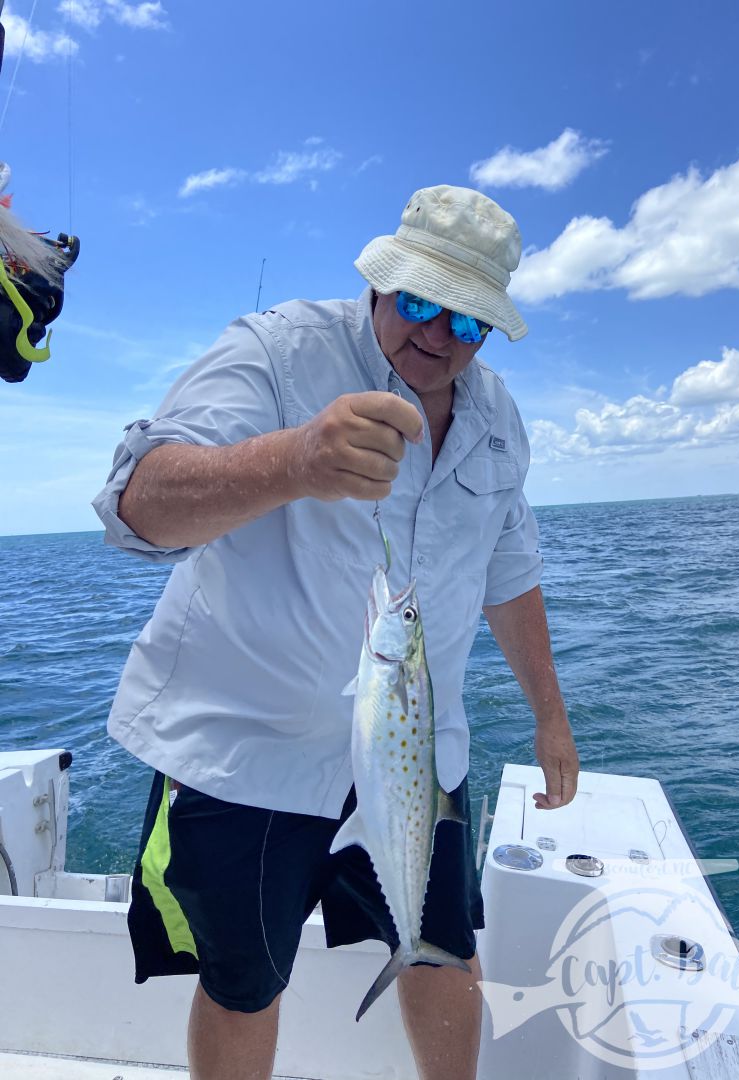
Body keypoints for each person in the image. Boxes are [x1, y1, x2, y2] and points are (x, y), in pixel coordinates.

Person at [93, 184, 579, 1080]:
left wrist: (550, 715)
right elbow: (135, 508)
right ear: (384, 280)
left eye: (467, 321)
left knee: (444, 949)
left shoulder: (497, 417)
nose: (436, 337)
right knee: (243, 981)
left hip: (416, 746)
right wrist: (295, 459)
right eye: (421, 302)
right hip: (248, 748)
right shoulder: (278, 350)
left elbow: (510, 572)